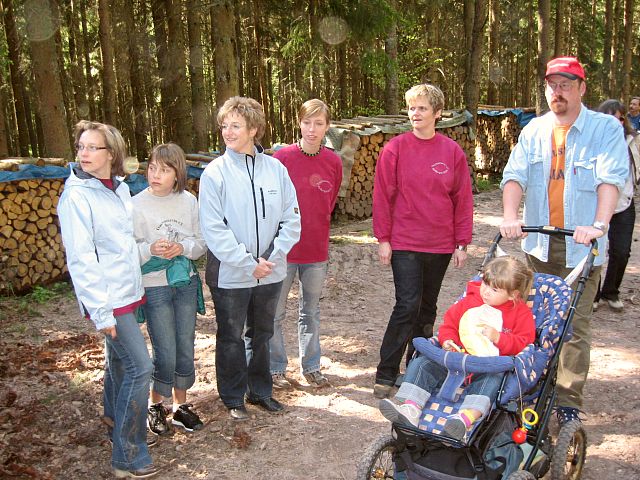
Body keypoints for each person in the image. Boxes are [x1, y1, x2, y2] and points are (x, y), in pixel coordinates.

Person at [500, 57, 629, 427]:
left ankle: (568, 401)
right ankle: (535, 385)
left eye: (567, 84)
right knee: (533, 319)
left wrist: (599, 224)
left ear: (582, 88)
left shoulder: (604, 128)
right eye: (553, 85)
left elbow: (610, 179)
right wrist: (510, 216)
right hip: (539, 246)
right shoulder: (535, 130)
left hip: (582, 247)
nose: (559, 92)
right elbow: (514, 176)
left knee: (574, 326)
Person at [58, 121, 159, 478]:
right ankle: (127, 454)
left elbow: (122, 245)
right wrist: (101, 312)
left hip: (127, 291)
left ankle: (113, 423)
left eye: (92, 147)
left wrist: (147, 254)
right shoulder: (77, 196)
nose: (84, 154)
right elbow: (82, 260)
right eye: (81, 147)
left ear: (111, 154)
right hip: (107, 298)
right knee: (140, 368)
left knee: (119, 366)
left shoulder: (118, 189)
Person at [199, 96, 301, 420]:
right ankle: (232, 397)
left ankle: (261, 391)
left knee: (262, 333)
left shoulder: (276, 170)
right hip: (231, 273)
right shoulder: (214, 174)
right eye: (224, 126)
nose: (227, 132)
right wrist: (248, 262)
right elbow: (213, 229)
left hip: (270, 270)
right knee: (230, 335)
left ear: (253, 129)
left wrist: (272, 256)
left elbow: (292, 218)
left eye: (235, 126)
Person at [372, 83, 474, 399]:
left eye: (422, 109)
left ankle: (415, 372)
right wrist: (383, 238)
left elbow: (462, 198)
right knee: (407, 305)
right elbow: (382, 195)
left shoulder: (451, 151)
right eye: (412, 108)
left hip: (440, 245)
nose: (415, 114)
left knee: (427, 309)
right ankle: (386, 373)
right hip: (404, 242)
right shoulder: (396, 148)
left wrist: (462, 242)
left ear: (437, 114)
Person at [378, 256, 535, 439]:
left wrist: (499, 338)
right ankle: (410, 407)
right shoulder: (470, 302)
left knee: (493, 379)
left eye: (494, 290)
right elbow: (449, 326)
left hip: (487, 366)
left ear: (513, 294)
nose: (486, 292)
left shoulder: (520, 314)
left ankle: (465, 419)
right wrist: (447, 341)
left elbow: (524, 344)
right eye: (485, 284)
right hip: (456, 359)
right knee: (423, 363)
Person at [132, 143, 207, 434]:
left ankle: (180, 407)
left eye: (164, 170)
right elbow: (128, 248)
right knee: (164, 349)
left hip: (184, 282)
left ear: (177, 173)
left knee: (185, 345)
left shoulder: (188, 201)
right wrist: (150, 248)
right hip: (154, 287)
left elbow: (201, 243)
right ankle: (156, 405)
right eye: (152, 167)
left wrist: (182, 247)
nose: (156, 174)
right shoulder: (136, 204)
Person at [269, 99, 343, 389]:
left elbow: (330, 201)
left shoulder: (333, 161)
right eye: (307, 122)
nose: (312, 130)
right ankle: (276, 368)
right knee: (274, 312)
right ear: (298, 123)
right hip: (283, 251)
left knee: (310, 311)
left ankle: (311, 366)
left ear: (327, 126)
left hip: (316, 250)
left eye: (319, 123)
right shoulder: (282, 158)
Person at [593, 100, 639, 312]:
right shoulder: (592, 141)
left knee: (621, 251)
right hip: (597, 204)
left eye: (620, 118)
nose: (616, 122)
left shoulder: (632, 140)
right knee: (594, 251)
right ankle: (592, 294)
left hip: (624, 205)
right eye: (611, 117)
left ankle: (611, 291)